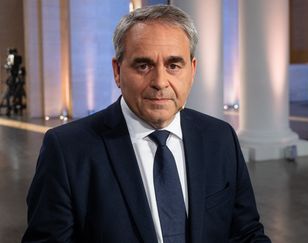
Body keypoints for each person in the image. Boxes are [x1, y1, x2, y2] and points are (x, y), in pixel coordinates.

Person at [22, 5, 271, 243]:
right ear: (117, 71)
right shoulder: (67, 150)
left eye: (174, 65)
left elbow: (246, 233)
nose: (160, 81)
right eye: (143, 65)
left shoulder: (220, 137)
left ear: (192, 71)